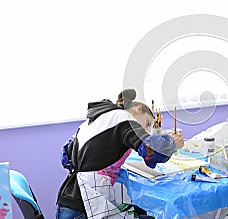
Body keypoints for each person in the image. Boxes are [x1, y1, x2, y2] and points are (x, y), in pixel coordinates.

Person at [56, 89, 184, 218]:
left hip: (69, 200)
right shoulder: (124, 118)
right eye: (147, 123)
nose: (145, 129)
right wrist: (172, 143)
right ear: (138, 109)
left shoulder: (95, 120)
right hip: (82, 207)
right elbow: (151, 152)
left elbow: (66, 156)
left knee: (139, 212)